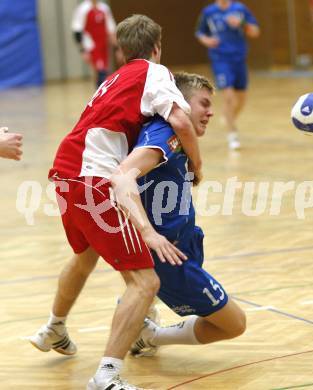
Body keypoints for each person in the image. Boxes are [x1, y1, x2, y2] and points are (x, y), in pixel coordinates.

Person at [29, 14, 202, 390]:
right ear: (157, 47)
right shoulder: (154, 73)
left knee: (86, 254)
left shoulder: (111, 80)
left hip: (65, 170)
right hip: (94, 178)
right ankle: (106, 376)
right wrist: (196, 165)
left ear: (121, 49)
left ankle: (54, 328)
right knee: (145, 282)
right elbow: (182, 121)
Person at [111, 72, 246, 359]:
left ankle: (137, 309)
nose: (210, 112)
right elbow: (123, 178)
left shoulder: (175, 136)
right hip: (170, 257)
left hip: (184, 243)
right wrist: (147, 234)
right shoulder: (164, 136)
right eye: (204, 104)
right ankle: (151, 334)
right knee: (235, 324)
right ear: (181, 103)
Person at [196, 0, 260, 150]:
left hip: (239, 59)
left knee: (242, 99)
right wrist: (207, 40)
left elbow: (255, 31)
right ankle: (232, 134)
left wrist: (242, 23)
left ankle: (228, 118)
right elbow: (200, 32)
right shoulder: (209, 12)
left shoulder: (240, 9)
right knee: (229, 97)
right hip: (220, 60)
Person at [72, 0, 117, 87]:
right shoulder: (83, 9)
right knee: (100, 70)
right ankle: (99, 93)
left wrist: (117, 48)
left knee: (104, 69)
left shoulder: (104, 8)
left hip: (104, 44)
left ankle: (102, 93)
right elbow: (77, 30)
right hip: (91, 44)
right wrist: (82, 50)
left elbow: (111, 28)